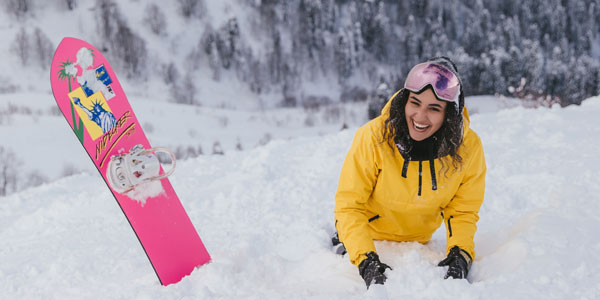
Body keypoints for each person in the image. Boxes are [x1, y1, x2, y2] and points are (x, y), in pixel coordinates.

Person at [332, 57, 486, 289]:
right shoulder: (373, 137)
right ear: (405, 100)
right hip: (368, 238)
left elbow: (462, 211)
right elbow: (349, 206)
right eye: (415, 103)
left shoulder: (467, 148)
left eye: (434, 108)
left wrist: (460, 253)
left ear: (450, 115)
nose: (420, 117)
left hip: (419, 242)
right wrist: (365, 260)